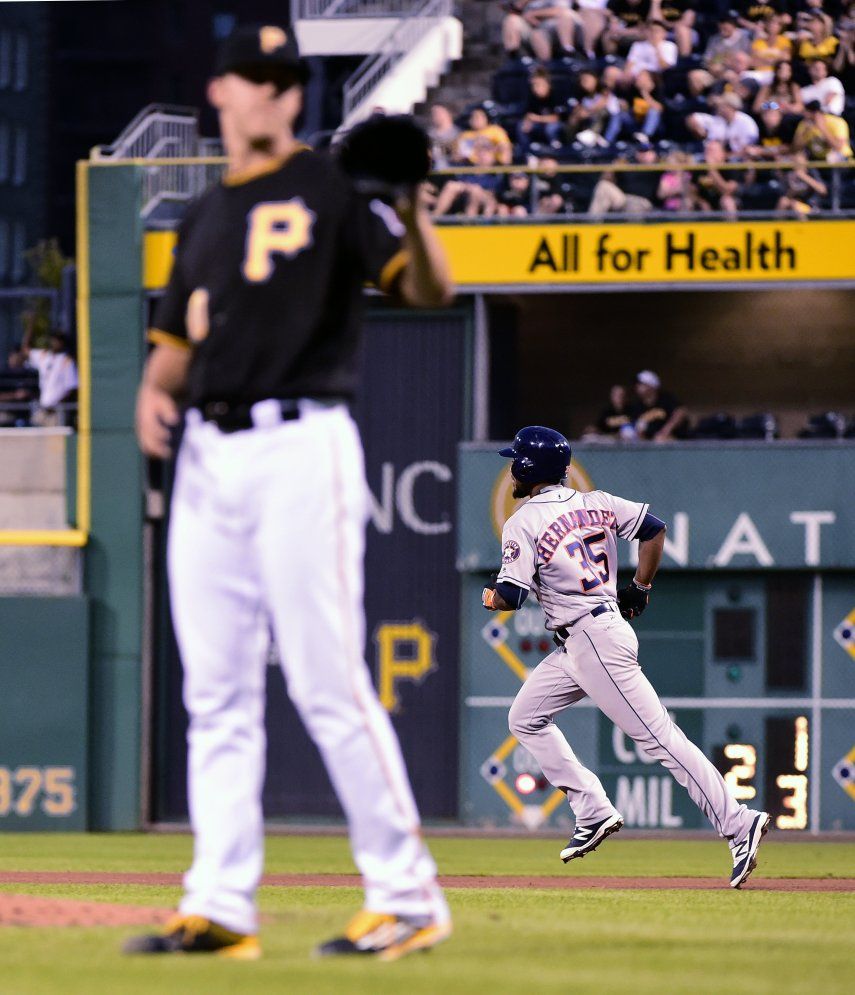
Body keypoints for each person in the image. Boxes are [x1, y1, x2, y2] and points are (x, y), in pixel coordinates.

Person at [125, 23, 452, 962]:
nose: (270, 93)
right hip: (208, 455)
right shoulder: (200, 216)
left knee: (324, 677)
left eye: (283, 79)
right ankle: (221, 905)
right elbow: (171, 352)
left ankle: (407, 894)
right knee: (216, 694)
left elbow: (426, 291)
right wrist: (154, 396)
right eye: (252, 77)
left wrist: (417, 208)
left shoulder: (335, 188)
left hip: (303, 441)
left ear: (295, 94)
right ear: (220, 92)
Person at [482, 425, 771, 887]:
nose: (511, 467)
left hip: (593, 640)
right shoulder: (595, 500)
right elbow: (653, 531)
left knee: (660, 739)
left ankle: (738, 823)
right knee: (525, 717)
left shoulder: (523, 522)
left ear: (526, 468)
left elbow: (511, 597)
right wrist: (640, 587)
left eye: (514, 460)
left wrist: (490, 597)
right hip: (585, 638)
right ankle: (593, 810)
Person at [19, 325, 79, 426]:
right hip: (42, 408)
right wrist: (30, 326)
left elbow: (72, 388)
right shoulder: (44, 356)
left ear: (62, 342)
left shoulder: (67, 361)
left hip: (57, 412)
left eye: (58, 340)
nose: (55, 342)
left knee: (54, 440)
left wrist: (56, 405)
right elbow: (25, 350)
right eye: (53, 339)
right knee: (35, 437)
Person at [587, 142, 663, 216]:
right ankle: (591, 225)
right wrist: (613, 167)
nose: (644, 154)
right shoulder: (628, 165)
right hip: (624, 198)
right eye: (641, 151)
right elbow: (606, 179)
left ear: (655, 154)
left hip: (644, 202)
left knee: (634, 204)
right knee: (603, 185)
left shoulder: (659, 167)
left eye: (647, 152)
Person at [502, 0, 580, 61]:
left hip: (554, 26)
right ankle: (513, 57)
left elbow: (562, 10)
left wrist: (534, 14)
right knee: (511, 20)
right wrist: (521, 3)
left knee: (538, 33)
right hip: (531, 27)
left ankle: (566, 53)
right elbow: (512, 11)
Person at [687, 92, 759, 156]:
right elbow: (692, 118)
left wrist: (725, 155)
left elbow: (747, 148)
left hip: (744, 156)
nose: (720, 109)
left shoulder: (745, 121)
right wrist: (700, 130)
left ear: (732, 106)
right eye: (720, 106)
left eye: (723, 106)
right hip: (723, 156)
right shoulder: (719, 120)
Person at [628, 369, 689, 439]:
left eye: (641, 384)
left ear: (651, 386)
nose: (637, 387)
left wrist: (666, 430)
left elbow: (681, 411)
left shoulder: (666, 399)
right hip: (649, 443)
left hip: (673, 440)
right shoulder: (637, 405)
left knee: (661, 439)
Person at [518, 68, 565, 150]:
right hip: (540, 125)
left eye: (538, 84)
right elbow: (528, 114)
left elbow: (557, 118)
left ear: (547, 84)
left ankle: (556, 151)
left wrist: (537, 118)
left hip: (558, 126)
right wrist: (527, 122)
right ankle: (528, 153)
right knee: (521, 126)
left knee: (551, 128)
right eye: (533, 85)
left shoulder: (556, 95)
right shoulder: (532, 97)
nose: (535, 88)